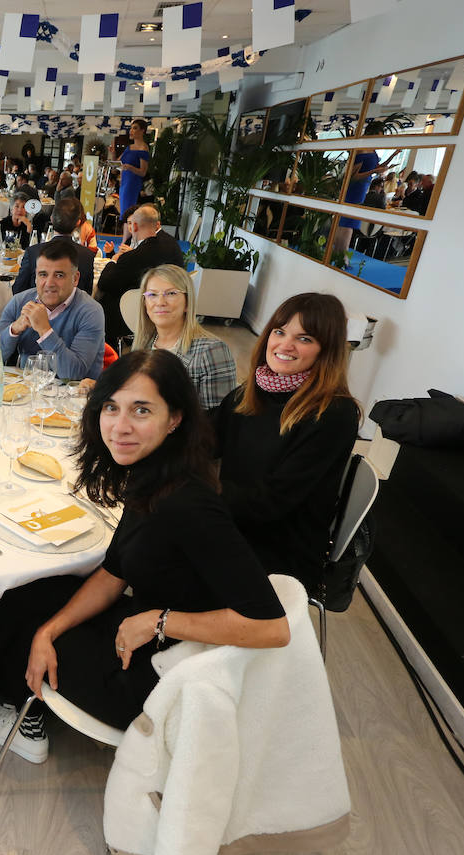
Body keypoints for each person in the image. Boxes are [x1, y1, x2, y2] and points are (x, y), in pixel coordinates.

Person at [0, 350, 287, 762]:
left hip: (157, 679)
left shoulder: (190, 505)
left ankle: (25, 720)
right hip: (142, 637)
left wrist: (158, 621)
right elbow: (113, 573)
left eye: (141, 410)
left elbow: (273, 627)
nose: (120, 426)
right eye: (111, 407)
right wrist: (48, 631)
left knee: (24, 618)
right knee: (28, 592)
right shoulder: (154, 474)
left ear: (175, 418)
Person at [214, 293, 360, 593]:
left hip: (281, 551)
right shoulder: (254, 390)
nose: (285, 345)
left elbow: (270, 504)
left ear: (326, 351)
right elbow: (204, 439)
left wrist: (200, 491)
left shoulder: (333, 414)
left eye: (304, 339)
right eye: (279, 332)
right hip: (236, 522)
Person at [0, 238, 105, 381]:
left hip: (75, 394)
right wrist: (14, 329)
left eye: (59, 275)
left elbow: (73, 374)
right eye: (43, 274)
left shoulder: (90, 311)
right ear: (35, 277)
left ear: (75, 279)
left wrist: (45, 330)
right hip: (27, 390)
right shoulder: (20, 302)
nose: (49, 283)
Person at [134, 265, 237, 411]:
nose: (160, 302)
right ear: (144, 303)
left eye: (171, 293)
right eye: (152, 294)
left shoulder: (211, 351)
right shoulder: (143, 344)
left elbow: (215, 420)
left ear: (187, 303)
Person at [94, 205, 186, 344]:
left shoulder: (135, 256)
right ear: (156, 225)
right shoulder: (170, 244)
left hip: (137, 313)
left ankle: (108, 348)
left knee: (101, 300)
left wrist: (113, 261)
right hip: (169, 307)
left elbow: (104, 283)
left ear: (135, 226)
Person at [332, 124, 399, 257]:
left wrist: (392, 156)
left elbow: (377, 167)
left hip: (362, 189)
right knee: (347, 224)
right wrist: (374, 171)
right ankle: (341, 255)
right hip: (354, 189)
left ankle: (338, 254)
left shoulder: (372, 151)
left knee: (347, 224)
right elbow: (352, 176)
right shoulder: (361, 150)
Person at [12, 198, 96, 296]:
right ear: (78, 223)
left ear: (51, 219)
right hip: (74, 306)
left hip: (37, 304)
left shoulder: (33, 252)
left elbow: (18, 290)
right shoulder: (87, 255)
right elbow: (87, 294)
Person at [118, 120, 151, 232]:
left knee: (129, 213)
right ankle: (125, 238)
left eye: (135, 128)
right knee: (124, 213)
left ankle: (127, 238)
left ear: (142, 131)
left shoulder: (143, 148)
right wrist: (113, 153)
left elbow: (143, 172)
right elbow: (118, 164)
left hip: (132, 184)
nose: (131, 131)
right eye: (131, 128)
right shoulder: (129, 148)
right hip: (124, 183)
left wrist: (130, 167)